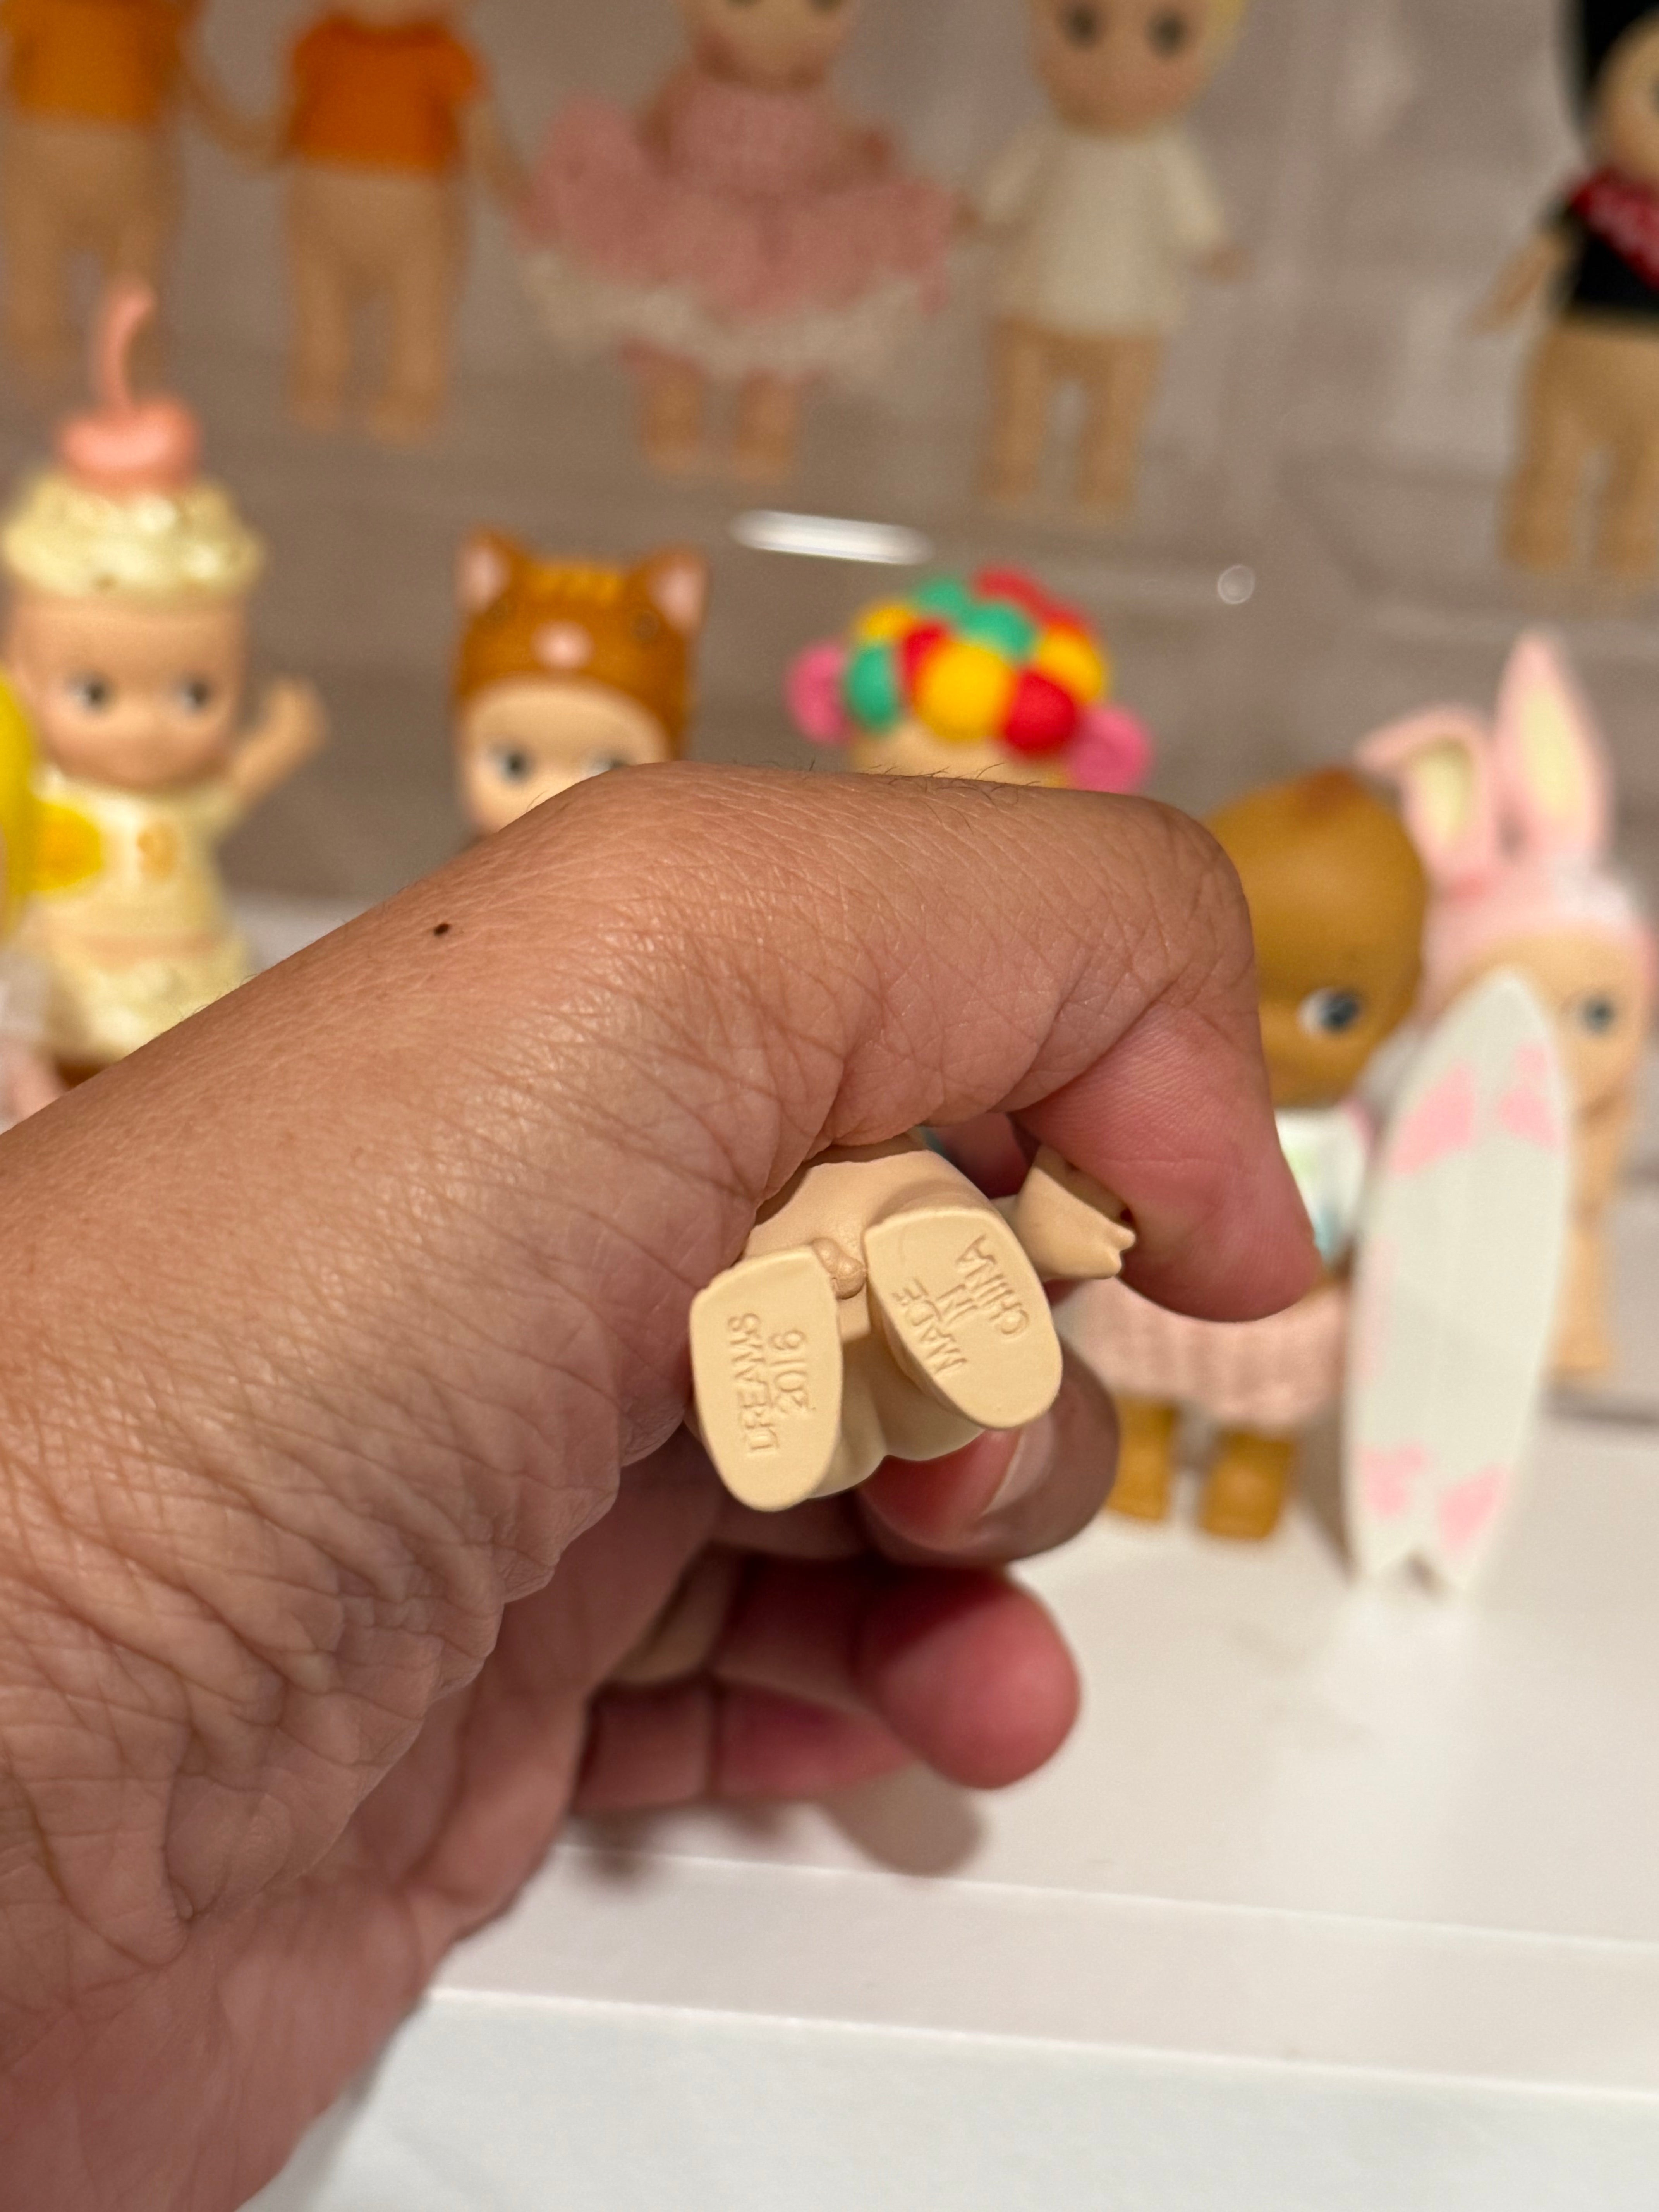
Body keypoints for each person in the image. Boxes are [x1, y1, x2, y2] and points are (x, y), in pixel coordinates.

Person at [0, 768, 1314, 2208]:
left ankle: (872, 1337)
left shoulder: (873, 1109)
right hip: (847, 1233)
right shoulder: (777, 1096)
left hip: (857, 1270)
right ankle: (877, 1322)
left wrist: (1047, 1229)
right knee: (899, 1352)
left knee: (899, 1412)